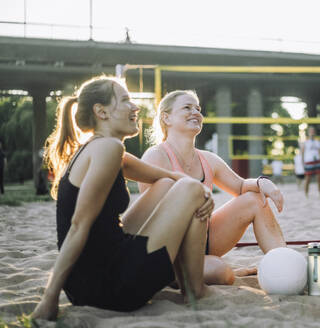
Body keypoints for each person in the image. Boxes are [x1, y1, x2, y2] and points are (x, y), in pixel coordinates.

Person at [31, 77, 213, 321]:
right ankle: (196, 289)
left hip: (87, 284)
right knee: (191, 188)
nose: (135, 107)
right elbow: (78, 225)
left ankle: (186, 282)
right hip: (111, 285)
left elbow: (168, 176)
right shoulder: (108, 149)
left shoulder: (99, 147)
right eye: (126, 100)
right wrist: (49, 298)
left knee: (171, 185)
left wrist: (202, 192)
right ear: (101, 111)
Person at [137, 90, 286, 285]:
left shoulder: (207, 159)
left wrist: (262, 183)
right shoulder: (155, 156)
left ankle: (287, 265)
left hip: (201, 241)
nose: (196, 112)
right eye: (187, 107)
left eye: (198, 109)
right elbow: (152, 221)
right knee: (221, 272)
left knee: (256, 199)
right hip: (169, 249)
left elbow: (240, 186)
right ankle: (180, 273)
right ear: (167, 117)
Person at [301, 126, 320, 197]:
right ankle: (306, 194)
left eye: (313, 131)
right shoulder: (305, 142)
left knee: (319, 178)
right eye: (311, 131)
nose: (312, 132)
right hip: (309, 161)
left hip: (317, 161)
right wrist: (302, 162)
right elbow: (303, 153)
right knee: (307, 179)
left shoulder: (318, 141)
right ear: (308, 133)